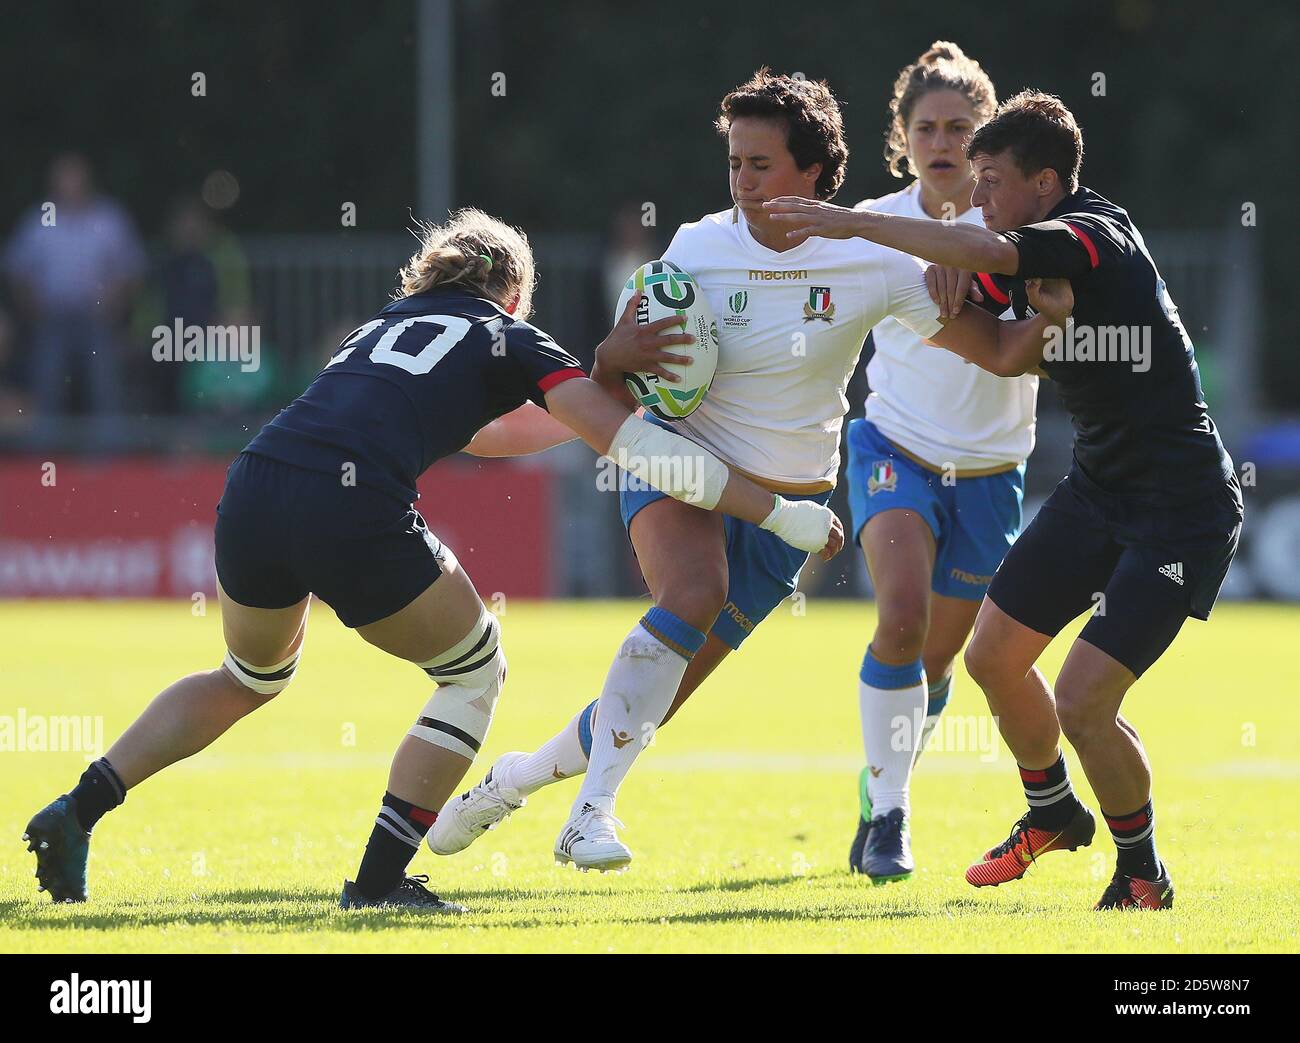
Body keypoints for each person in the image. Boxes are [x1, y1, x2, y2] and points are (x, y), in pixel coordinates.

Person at [22, 208, 842, 909]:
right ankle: (378, 881)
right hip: (349, 506)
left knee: (246, 676)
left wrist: (600, 383)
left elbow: (489, 435)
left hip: (257, 481)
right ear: (516, 294)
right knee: (476, 670)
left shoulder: (383, 324)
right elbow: (640, 452)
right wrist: (778, 512)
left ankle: (79, 806)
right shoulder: (509, 335)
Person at [426, 71, 1070, 873]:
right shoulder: (695, 248)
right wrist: (613, 357)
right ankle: (590, 813)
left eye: (761, 165)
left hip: (787, 507)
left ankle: (514, 778)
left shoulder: (871, 260)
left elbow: (1003, 354)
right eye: (735, 163)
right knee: (691, 595)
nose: (743, 182)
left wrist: (1055, 306)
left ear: (813, 173)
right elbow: (620, 383)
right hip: (679, 460)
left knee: (650, 701)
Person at [765, 91, 1243, 910]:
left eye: (990, 180)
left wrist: (853, 223)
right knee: (989, 657)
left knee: (1083, 699)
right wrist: (943, 268)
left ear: (1046, 185)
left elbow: (993, 250)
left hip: (1182, 506)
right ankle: (1052, 810)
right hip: (1098, 490)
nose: (975, 194)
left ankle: (1141, 874)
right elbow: (988, 335)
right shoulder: (1011, 247)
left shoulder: (1095, 237)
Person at [844, 42, 1037, 883]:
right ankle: (891, 817)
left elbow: (1046, 331)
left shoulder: (1028, 231)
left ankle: (878, 782)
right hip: (895, 448)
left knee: (935, 661)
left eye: (960, 126)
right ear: (904, 138)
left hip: (993, 469)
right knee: (902, 615)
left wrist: (978, 264)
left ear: (984, 137)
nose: (943, 139)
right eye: (927, 127)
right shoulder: (879, 228)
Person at [3, 153, 147, 449]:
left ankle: (109, 456)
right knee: (47, 383)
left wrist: (115, 303)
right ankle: (43, 456)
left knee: (104, 383)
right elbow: (17, 269)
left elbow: (131, 267)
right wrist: (31, 306)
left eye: (74, 177)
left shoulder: (108, 218)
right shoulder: (39, 219)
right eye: (63, 178)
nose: (69, 185)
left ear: (87, 180)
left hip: (97, 317)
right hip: (52, 317)